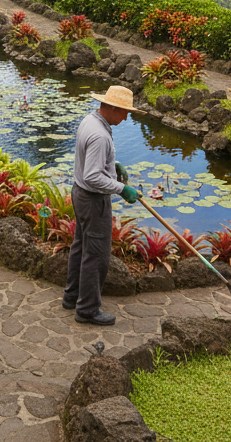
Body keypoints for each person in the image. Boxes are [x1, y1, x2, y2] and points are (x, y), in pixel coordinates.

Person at [62, 85, 140, 326]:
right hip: (93, 201)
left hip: (80, 194)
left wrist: (111, 166)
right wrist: (121, 188)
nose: (126, 117)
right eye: (125, 112)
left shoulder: (90, 120)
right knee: (96, 255)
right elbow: (92, 176)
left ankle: (72, 296)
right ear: (113, 108)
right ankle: (87, 309)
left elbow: (91, 163)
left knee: (80, 246)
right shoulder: (100, 135)